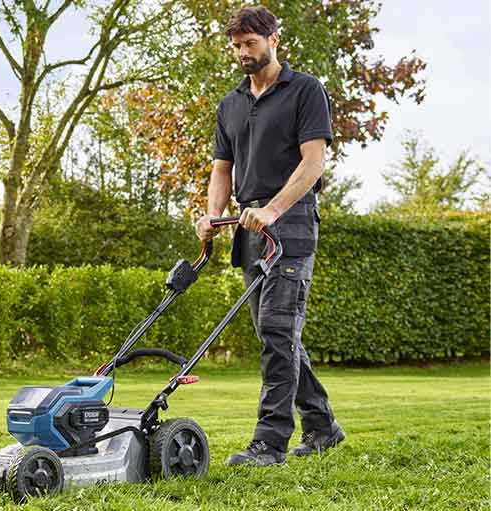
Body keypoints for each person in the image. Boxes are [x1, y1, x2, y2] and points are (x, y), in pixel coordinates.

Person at [195, 4, 345, 466]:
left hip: (291, 224)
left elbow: (314, 162)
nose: (242, 53)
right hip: (248, 229)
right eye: (236, 46)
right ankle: (322, 427)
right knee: (276, 332)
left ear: (273, 39)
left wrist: (275, 209)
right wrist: (211, 215)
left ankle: (270, 443)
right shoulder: (231, 103)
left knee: (279, 331)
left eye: (250, 44)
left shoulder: (305, 90)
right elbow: (222, 169)